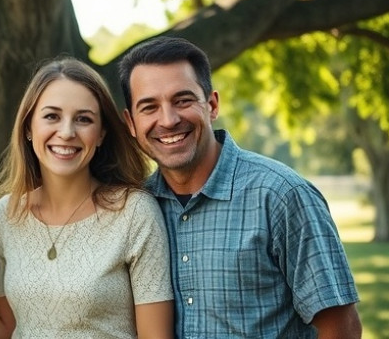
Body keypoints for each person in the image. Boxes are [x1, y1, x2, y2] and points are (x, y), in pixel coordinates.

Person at [117, 36, 362, 338]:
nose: (168, 120)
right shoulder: (136, 208)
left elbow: (341, 328)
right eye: (149, 107)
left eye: (183, 100)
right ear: (130, 123)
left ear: (212, 104)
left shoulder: (281, 195)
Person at [0, 57, 174, 338]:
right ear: (28, 128)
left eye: (83, 119)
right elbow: (9, 323)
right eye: (51, 116)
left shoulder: (134, 212)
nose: (66, 132)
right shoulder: (8, 213)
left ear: (101, 134)